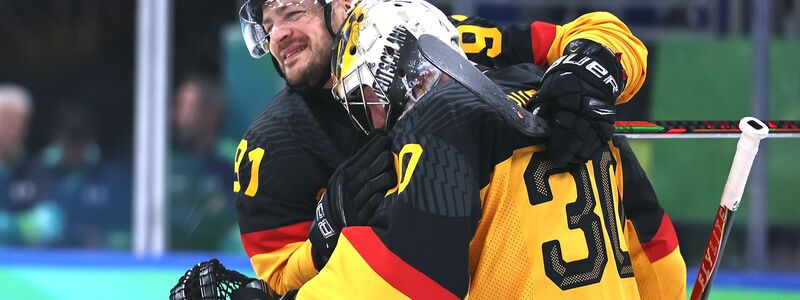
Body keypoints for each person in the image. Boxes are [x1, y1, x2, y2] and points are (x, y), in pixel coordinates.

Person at [234, 0, 684, 298]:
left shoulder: (434, 97)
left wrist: (592, 66)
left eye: (292, 12)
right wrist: (323, 239)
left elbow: (406, 283)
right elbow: (658, 259)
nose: (279, 36)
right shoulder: (269, 147)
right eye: (267, 27)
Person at [169, 74, 239, 251]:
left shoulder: (235, 161)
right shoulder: (166, 164)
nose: (177, 116)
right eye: (178, 106)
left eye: (187, 106)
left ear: (211, 113)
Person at [0, 83, 34, 245]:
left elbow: (51, 224)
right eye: (8, 119)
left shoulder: (37, 170)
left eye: (22, 121)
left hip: (25, 262)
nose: (16, 129)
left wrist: (10, 227)